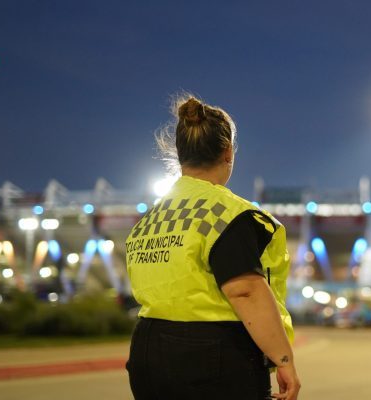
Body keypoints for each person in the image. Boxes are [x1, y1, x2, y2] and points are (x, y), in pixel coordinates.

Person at [125, 96, 301, 400]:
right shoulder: (228, 214)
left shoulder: (152, 217)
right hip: (212, 354)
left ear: (180, 155)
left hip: (146, 349)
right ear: (228, 152)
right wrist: (283, 358)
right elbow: (245, 291)